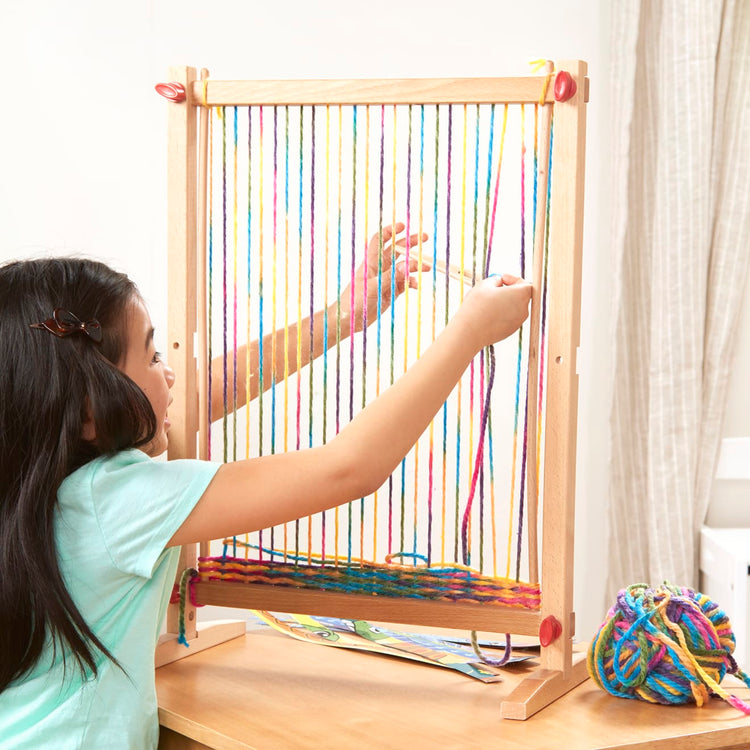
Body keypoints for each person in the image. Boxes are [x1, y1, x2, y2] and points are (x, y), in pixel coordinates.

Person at [0, 224, 531, 749]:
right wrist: (470, 330)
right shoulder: (115, 500)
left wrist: (344, 317)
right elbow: (348, 468)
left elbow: (190, 400)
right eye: (155, 356)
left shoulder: (38, 484)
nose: (174, 376)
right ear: (92, 411)